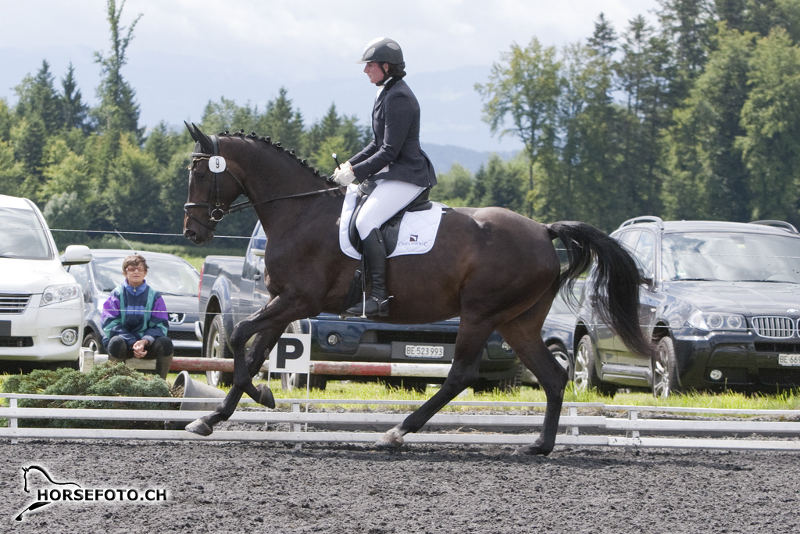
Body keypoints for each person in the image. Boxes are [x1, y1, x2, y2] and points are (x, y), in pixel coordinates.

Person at [332, 37, 437, 318]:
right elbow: (376, 143)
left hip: (407, 176)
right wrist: (349, 164)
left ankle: (378, 296)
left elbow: (390, 151)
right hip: (391, 174)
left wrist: (355, 173)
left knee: (366, 221)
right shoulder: (386, 92)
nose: (365, 70)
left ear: (386, 66)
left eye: (370, 65)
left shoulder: (399, 97)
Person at [101, 254, 174, 379]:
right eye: (131, 269)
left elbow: (161, 325)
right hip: (123, 345)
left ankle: (159, 384)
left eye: (140, 269)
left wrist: (144, 341)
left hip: (147, 346)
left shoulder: (155, 296)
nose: (136, 272)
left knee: (166, 343)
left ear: (145, 273)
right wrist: (133, 342)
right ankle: (116, 384)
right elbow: (110, 324)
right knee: (115, 342)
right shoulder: (116, 295)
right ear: (124, 273)